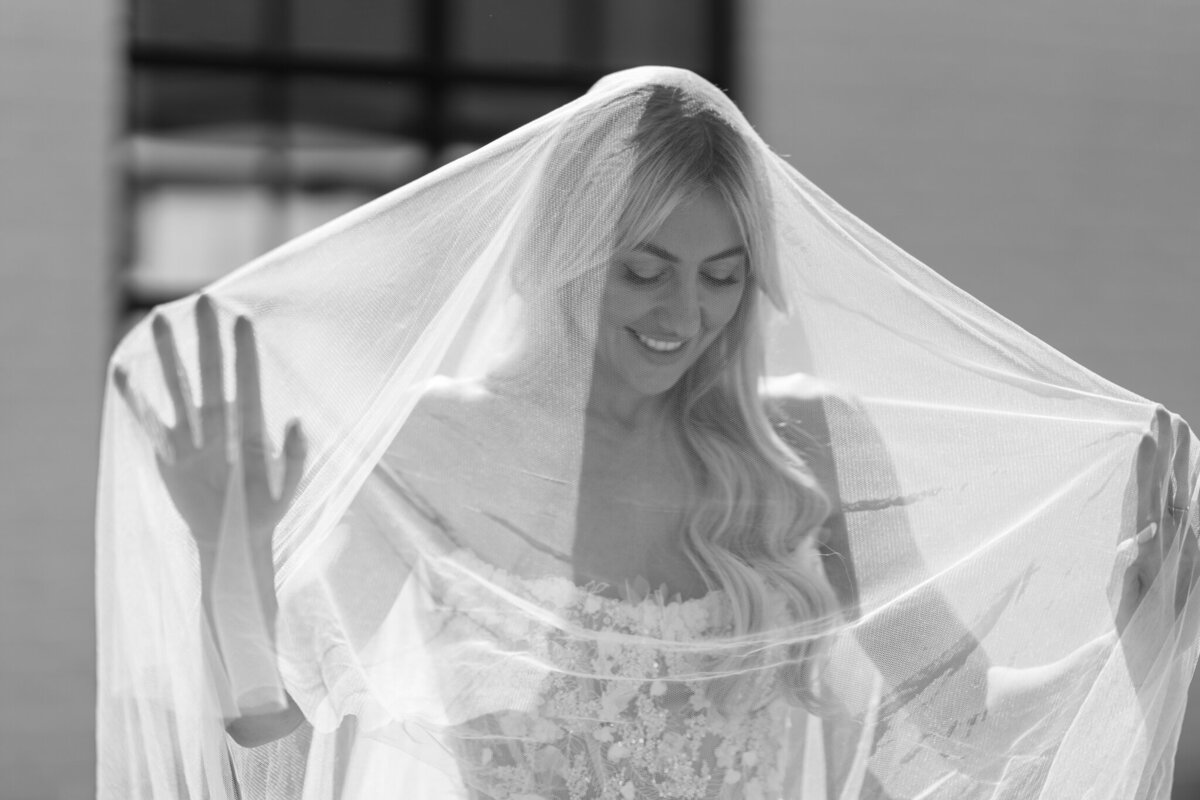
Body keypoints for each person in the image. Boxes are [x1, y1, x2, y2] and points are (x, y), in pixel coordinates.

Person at [99, 68, 1199, 799]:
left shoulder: (810, 449)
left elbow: (968, 719)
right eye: (644, 269)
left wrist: (1141, 647)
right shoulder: (439, 445)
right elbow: (279, 748)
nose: (685, 317)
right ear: (569, 250)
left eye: (723, 276)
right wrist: (231, 564)